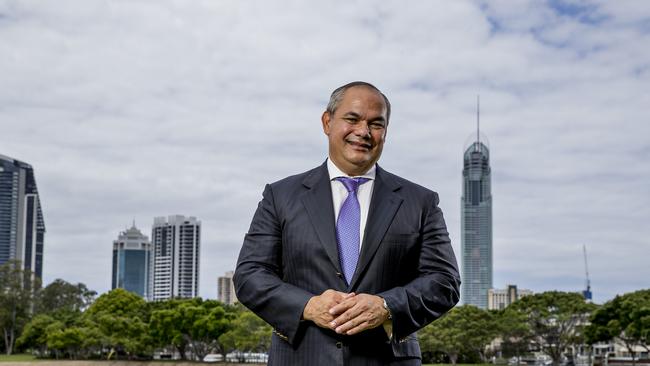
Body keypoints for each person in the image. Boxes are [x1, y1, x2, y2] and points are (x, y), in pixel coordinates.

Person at [233, 81, 460, 365]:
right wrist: (309, 305)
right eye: (352, 119)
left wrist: (387, 306)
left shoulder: (421, 202)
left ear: (385, 133)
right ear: (327, 122)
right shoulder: (280, 196)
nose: (363, 132)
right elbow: (250, 275)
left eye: (376, 124)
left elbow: (445, 281)